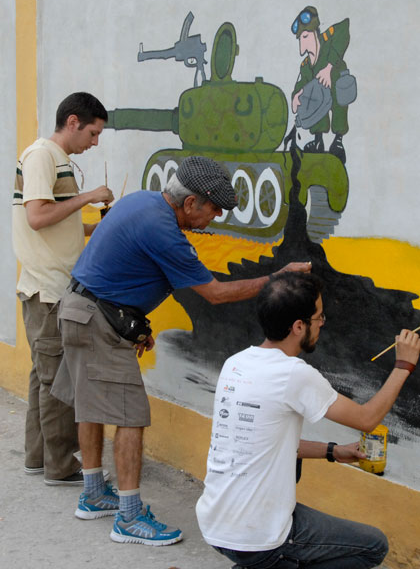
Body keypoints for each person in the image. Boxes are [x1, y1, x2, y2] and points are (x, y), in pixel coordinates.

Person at [52, 155, 311, 546]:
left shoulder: (141, 202)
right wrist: (278, 277)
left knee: (92, 403)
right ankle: (129, 518)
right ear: (190, 203)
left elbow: (120, 271)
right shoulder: (163, 229)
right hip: (97, 322)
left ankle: (93, 494)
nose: (213, 219)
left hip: (83, 313)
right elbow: (216, 294)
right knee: (130, 416)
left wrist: (134, 323)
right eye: (213, 211)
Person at [196, 271, 420, 568]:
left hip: (216, 522)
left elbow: (266, 442)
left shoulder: (235, 363)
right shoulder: (294, 373)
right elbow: (367, 419)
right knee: (372, 546)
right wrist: (404, 365)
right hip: (259, 534)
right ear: (299, 327)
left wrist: (333, 451)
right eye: (319, 317)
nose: (323, 323)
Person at [12, 92, 114, 486]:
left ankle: (38, 458)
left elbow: (54, 219)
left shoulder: (57, 161)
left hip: (48, 287)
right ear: (72, 122)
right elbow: (37, 217)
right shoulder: (42, 156)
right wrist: (89, 198)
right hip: (49, 290)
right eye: (93, 132)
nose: (95, 142)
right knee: (58, 382)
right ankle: (61, 465)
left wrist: (93, 228)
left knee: (44, 376)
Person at [291, 6, 350, 164]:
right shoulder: (306, 64)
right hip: (322, 95)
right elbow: (301, 83)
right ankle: (318, 140)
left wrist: (329, 68)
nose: (302, 44)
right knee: (313, 96)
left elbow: (344, 28)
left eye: (305, 36)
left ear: (313, 33)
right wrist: (296, 96)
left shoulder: (328, 38)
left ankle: (338, 140)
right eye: (300, 39)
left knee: (340, 91)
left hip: (337, 82)